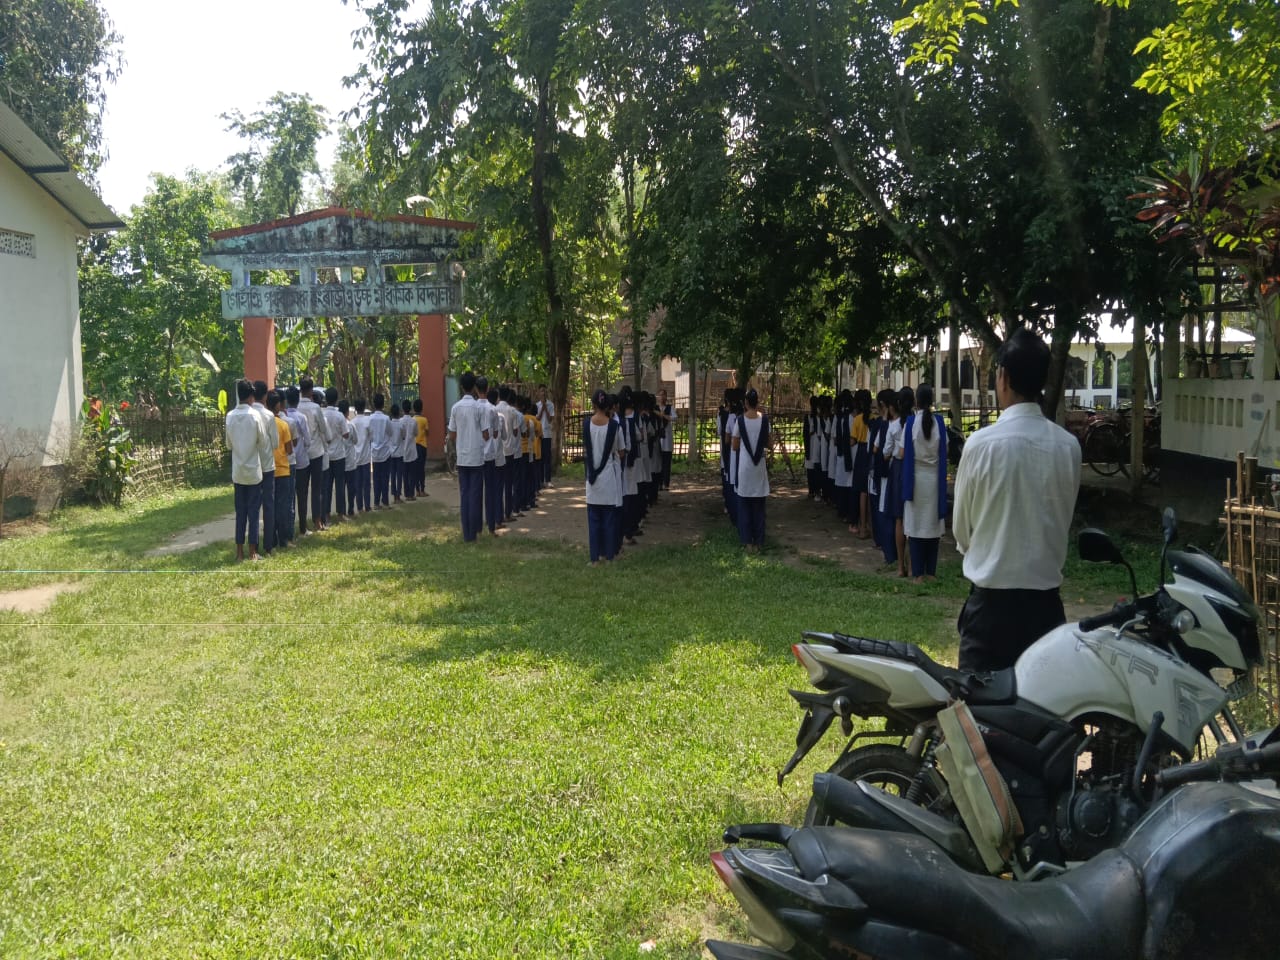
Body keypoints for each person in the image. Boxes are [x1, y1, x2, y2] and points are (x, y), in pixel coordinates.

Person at [952, 328, 1082, 672]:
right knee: (1042, 720)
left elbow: (961, 531)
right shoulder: (1068, 447)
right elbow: (1061, 519)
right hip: (1044, 613)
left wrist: (991, 548)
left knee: (978, 718)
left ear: (1003, 378)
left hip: (989, 615)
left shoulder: (980, 446)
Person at [901, 384, 947, 583]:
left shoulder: (911, 423)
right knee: (932, 525)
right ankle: (932, 572)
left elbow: (903, 452)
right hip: (934, 479)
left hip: (916, 479)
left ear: (916, 402)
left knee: (916, 525)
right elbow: (944, 448)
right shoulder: (939, 422)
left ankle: (918, 573)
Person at [225, 378, 269, 562]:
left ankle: (239, 552)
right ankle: (252, 551)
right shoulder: (255, 415)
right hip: (253, 471)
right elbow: (263, 441)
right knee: (253, 512)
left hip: (238, 471)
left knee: (240, 512)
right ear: (251, 396)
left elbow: (228, 444)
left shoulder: (230, 416)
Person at [447, 371, 490, 542]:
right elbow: (486, 434)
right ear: (473, 387)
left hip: (463, 457)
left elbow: (451, 435)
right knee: (475, 494)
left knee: (464, 495)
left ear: (461, 387)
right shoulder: (479, 408)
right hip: (477, 457)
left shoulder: (456, 408)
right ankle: (475, 530)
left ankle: (467, 534)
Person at [583, 389, 623, 564]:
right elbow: (621, 452)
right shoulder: (615, 427)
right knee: (609, 521)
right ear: (608, 406)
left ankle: (594, 558)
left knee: (594, 522)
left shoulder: (586, 425)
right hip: (608, 480)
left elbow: (587, 450)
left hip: (592, 480)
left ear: (593, 405)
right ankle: (609, 555)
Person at [731, 388, 772, 551]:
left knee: (745, 506)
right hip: (759, 468)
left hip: (745, 468)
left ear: (746, 403)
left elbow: (734, 446)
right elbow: (769, 444)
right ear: (758, 402)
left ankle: (747, 542)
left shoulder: (740, 421)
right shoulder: (764, 421)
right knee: (759, 507)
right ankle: (759, 542)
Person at [297, 379, 331, 531]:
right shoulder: (316, 408)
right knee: (317, 489)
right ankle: (317, 521)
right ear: (311, 390)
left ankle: (303, 524)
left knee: (302, 490)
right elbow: (323, 429)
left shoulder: (296, 407)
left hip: (301, 453)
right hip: (316, 451)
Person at [250, 380, 279, 555]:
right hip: (268, 466)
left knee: (253, 507)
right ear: (265, 396)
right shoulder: (269, 416)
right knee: (269, 506)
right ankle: (269, 545)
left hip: (253, 465)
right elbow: (275, 443)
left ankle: (253, 546)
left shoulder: (249, 413)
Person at [284, 387, 312, 536]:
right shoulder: (301, 417)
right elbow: (307, 439)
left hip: (287, 461)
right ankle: (303, 527)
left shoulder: (284, 417)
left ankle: (290, 528)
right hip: (301, 460)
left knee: (289, 497)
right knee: (302, 495)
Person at [268, 390, 294, 549]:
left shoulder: (264, 422)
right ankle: (284, 539)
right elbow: (290, 449)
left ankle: (271, 539)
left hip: (268, 470)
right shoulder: (283, 425)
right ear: (278, 405)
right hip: (283, 470)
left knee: (271, 507)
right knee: (283, 506)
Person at [322, 386, 349, 522]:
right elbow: (346, 434)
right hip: (339, 454)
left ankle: (326, 514)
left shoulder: (322, 413)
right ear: (336, 399)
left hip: (326, 454)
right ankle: (341, 513)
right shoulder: (339, 416)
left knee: (327, 485)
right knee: (339, 485)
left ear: (326, 399)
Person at [368, 393, 395, 509]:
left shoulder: (370, 418)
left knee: (376, 478)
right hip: (385, 452)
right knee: (385, 477)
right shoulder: (386, 419)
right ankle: (385, 501)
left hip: (374, 452)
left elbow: (369, 434)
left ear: (374, 404)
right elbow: (390, 432)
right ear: (383, 404)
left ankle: (376, 502)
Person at [537, 386, 555, 486]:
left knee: (547, 457)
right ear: (539, 393)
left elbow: (550, 419)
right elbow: (537, 419)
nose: (543, 393)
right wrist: (542, 408)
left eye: (544, 391)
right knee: (540, 458)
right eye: (541, 391)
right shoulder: (536, 405)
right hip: (539, 434)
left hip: (547, 434)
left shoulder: (551, 404)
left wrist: (546, 408)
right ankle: (540, 480)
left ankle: (548, 480)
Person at [657, 388, 675, 490]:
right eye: (660, 395)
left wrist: (664, 415)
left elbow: (675, 417)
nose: (662, 397)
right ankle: (659, 483)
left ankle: (666, 484)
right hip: (658, 439)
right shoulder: (656, 408)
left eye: (664, 395)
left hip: (667, 439)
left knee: (667, 463)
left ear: (666, 397)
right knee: (659, 462)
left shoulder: (669, 408)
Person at [412, 398, 429, 497]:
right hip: (422, 446)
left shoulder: (412, 419)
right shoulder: (424, 420)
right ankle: (422, 490)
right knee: (422, 469)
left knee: (415, 468)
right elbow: (427, 432)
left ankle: (417, 490)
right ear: (421, 408)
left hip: (414, 446)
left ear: (414, 409)